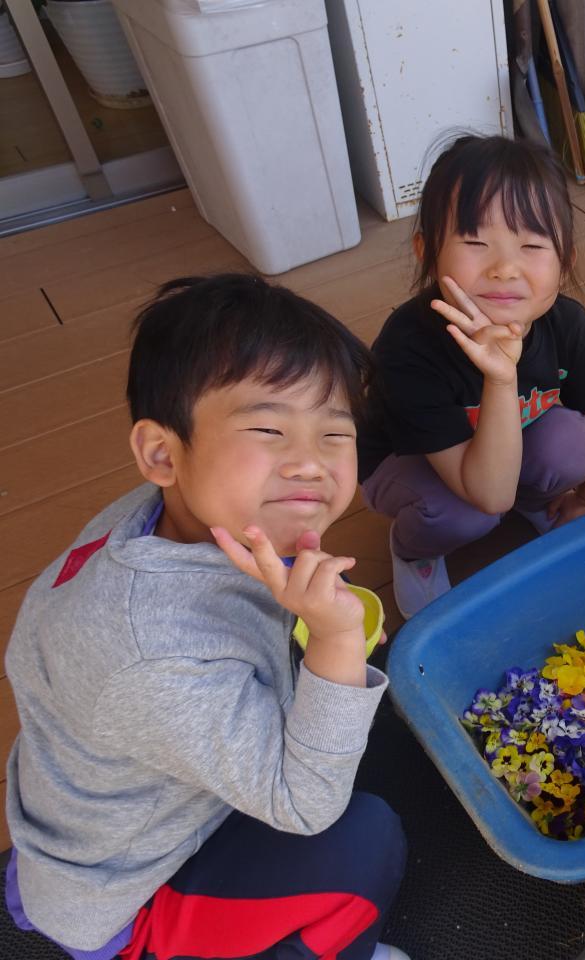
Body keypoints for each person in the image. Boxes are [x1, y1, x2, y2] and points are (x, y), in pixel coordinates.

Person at [5, 275, 410, 960]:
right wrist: (338, 639)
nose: (310, 464)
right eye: (269, 429)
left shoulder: (165, 516)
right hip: (132, 892)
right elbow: (305, 803)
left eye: (334, 434)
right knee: (367, 841)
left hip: (101, 812)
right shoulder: (152, 652)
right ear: (162, 453)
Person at [358, 135, 585, 618]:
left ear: (565, 261)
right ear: (427, 253)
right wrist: (501, 379)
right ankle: (414, 548)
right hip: (405, 462)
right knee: (465, 512)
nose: (505, 268)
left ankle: (532, 500)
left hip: (500, 451)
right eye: (475, 242)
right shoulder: (409, 346)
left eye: (532, 245)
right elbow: (489, 496)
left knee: (576, 443)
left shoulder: (565, 323)